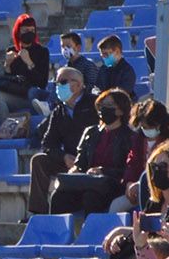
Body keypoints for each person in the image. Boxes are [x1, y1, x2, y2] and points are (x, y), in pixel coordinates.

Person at [49, 88, 146, 217]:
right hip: (88, 182)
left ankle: (92, 234)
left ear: (121, 110)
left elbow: (129, 169)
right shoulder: (91, 132)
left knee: (91, 197)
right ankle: (56, 234)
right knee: (58, 196)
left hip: (112, 184)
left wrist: (103, 171)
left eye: (109, 105)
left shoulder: (130, 137)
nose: (103, 109)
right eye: (101, 105)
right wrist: (76, 170)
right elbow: (80, 162)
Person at [29, 68, 99, 215]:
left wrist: (82, 159)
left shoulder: (95, 105)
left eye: (62, 82)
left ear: (79, 85)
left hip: (93, 161)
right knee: (39, 161)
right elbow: (48, 143)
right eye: (56, 82)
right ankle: (38, 213)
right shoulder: (59, 111)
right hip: (69, 160)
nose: (58, 86)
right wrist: (63, 157)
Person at [0, 14, 51, 115]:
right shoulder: (12, 50)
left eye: (32, 30)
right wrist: (7, 65)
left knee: (32, 92)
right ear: (18, 31)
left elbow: (42, 83)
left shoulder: (42, 51)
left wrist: (29, 63)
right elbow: (8, 79)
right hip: (17, 91)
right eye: (26, 30)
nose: (29, 33)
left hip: (33, 92)